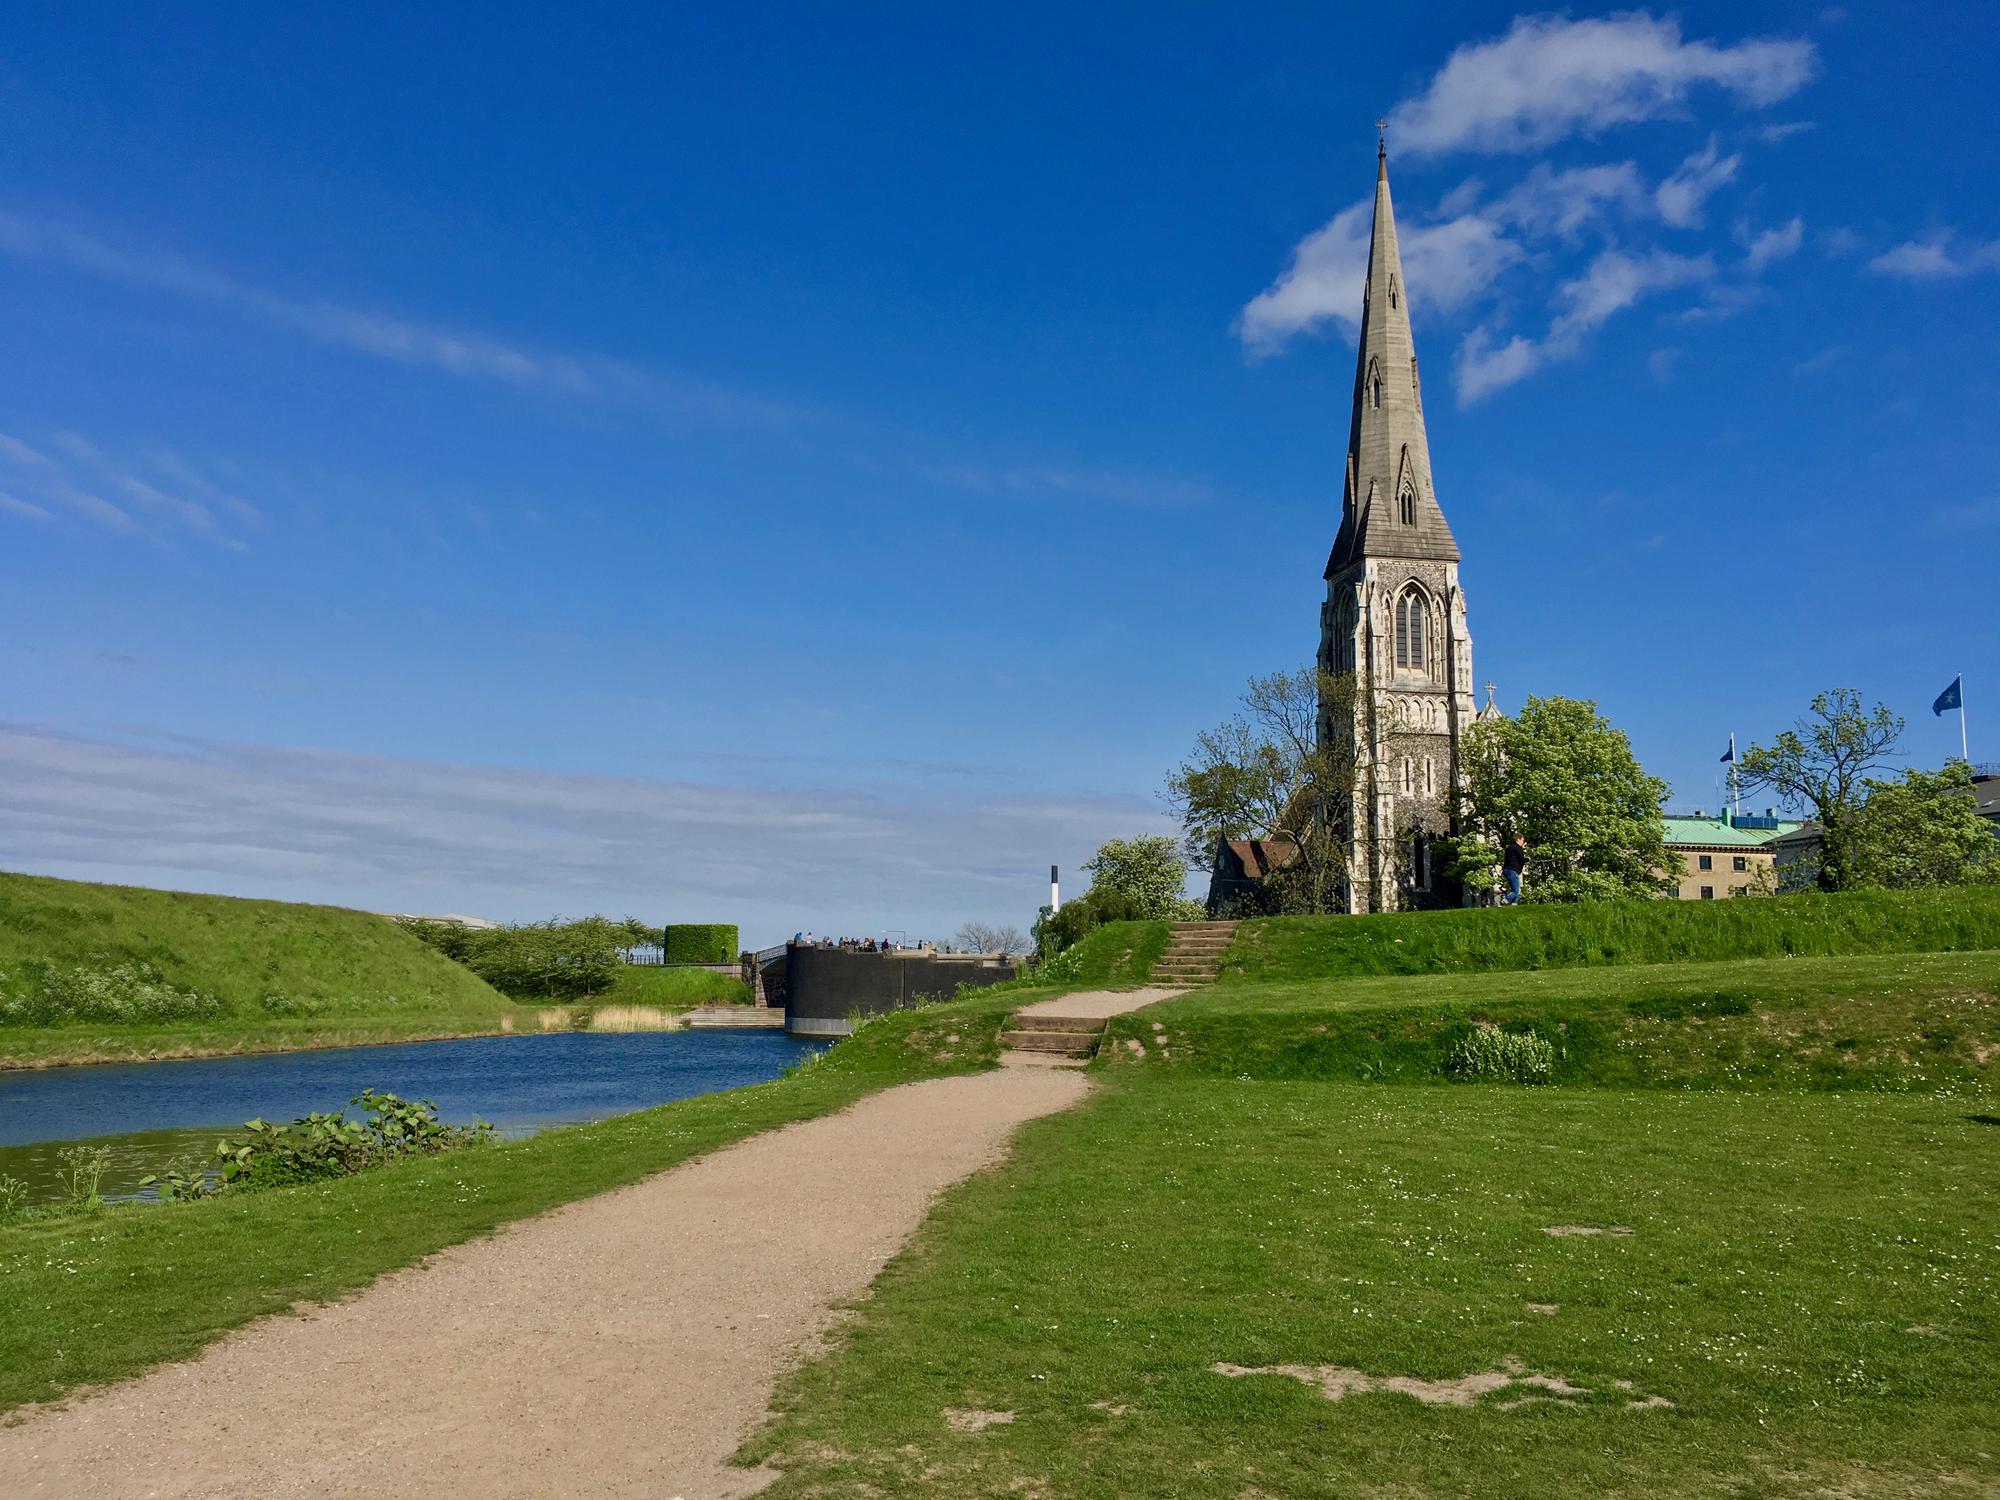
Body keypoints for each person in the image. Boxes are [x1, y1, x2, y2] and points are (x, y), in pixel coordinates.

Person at [1501, 834, 1528, 905]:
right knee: (1516, 891)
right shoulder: (1518, 848)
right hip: (1513, 870)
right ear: (1518, 839)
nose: (1523, 842)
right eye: (1522, 840)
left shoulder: (1509, 848)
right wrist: (1528, 859)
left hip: (1507, 870)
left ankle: (1514, 905)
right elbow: (1521, 860)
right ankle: (1506, 899)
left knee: (1515, 890)